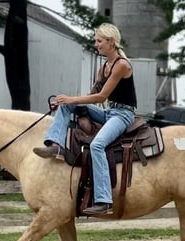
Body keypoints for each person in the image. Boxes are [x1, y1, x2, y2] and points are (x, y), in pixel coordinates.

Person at [33, 23, 137, 216]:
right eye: (96, 41)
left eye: (99, 41)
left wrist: (72, 99)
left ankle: (104, 200)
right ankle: (55, 145)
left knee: (97, 145)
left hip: (123, 115)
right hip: (108, 113)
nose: (96, 44)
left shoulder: (122, 65)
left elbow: (101, 97)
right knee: (66, 106)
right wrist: (72, 104)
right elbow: (92, 94)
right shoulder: (104, 67)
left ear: (111, 42)